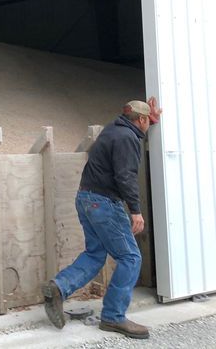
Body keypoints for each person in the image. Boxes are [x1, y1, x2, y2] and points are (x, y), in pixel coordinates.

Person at [42, 97, 162, 339]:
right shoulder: (128, 139)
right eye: (147, 120)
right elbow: (125, 176)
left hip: (85, 199)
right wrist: (136, 211)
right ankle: (114, 317)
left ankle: (58, 287)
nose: (149, 124)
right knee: (130, 257)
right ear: (139, 120)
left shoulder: (114, 130)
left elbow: (129, 143)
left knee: (95, 254)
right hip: (104, 203)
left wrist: (154, 118)